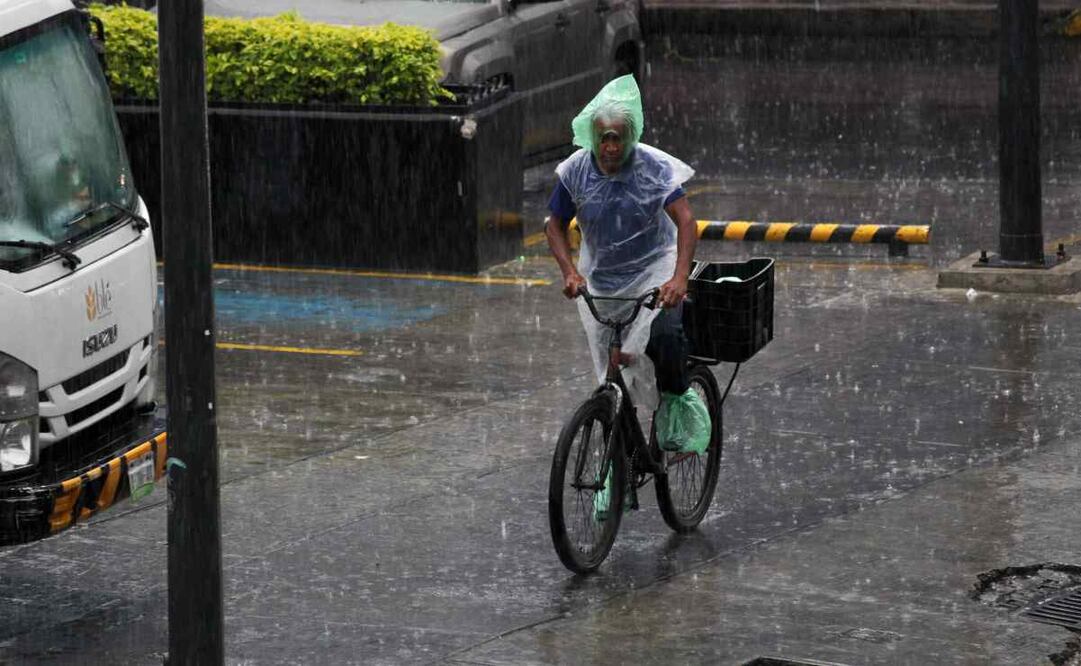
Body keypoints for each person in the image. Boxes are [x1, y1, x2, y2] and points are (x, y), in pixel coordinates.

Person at [545, 75, 707, 455]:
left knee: (664, 336)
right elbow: (553, 225)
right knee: (611, 368)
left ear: (630, 137)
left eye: (619, 137)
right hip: (603, 277)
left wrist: (679, 277)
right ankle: (616, 468)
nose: (612, 147)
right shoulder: (576, 172)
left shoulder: (652, 168)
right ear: (592, 137)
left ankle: (678, 401)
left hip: (655, 269)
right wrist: (569, 271)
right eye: (605, 138)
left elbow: (685, 220)